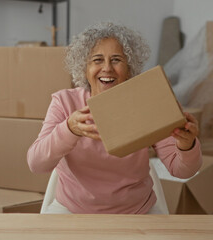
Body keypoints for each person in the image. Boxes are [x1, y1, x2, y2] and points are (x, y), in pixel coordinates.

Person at [27, 22, 202, 214]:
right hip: (73, 210)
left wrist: (187, 145)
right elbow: (36, 163)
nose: (107, 68)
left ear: (129, 68)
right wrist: (69, 129)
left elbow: (183, 171)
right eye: (97, 60)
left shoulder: (146, 103)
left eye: (116, 60)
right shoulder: (64, 102)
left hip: (136, 211)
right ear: (84, 67)